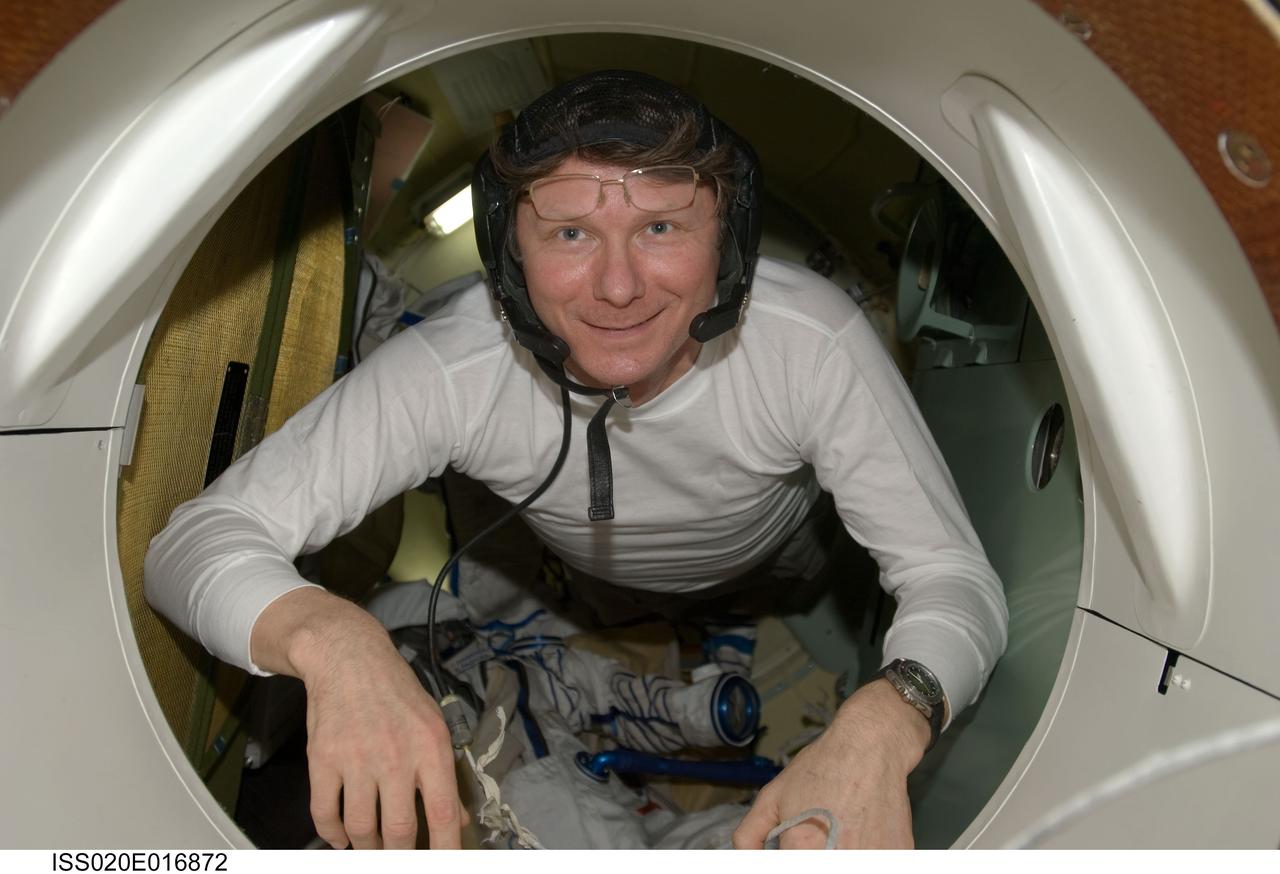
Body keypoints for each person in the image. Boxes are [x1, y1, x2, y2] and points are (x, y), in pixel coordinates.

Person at [145, 69, 1007, 850]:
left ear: (730, 242)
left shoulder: (812, 342)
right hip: (592, 586)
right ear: (509, 252)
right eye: (568, 233)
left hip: (783, 563)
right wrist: (335, 640)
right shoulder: (455, 366)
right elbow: (194, 543)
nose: (619, 286)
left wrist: (886, 719)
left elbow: (949, 575)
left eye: (662, 224)